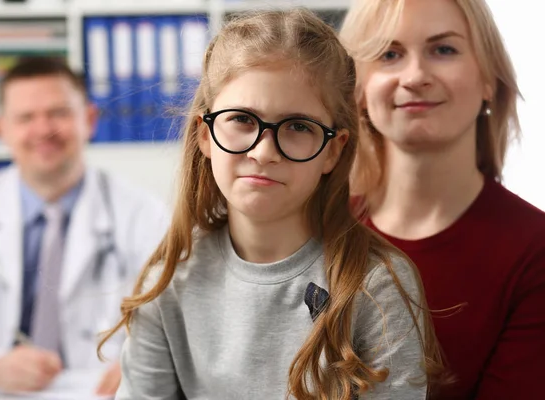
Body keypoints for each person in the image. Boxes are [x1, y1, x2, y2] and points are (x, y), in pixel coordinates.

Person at [100, 9, 446, 400]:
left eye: (299, 126)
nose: (264, 152)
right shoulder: (167, 283)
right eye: (242, 120)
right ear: (205, 134)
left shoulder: (375, 286)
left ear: (333, 150)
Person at [340, 0, 545, 398]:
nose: (415, 76)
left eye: (444, 49)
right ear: (359, 89)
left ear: (489, 78)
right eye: (390, 54)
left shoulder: (536, 251)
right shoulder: (318, 229)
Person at [0, 57, 169, 396]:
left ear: (89, 120)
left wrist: (136, 362)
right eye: (26, 117)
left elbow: (174, 327)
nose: (43, 129)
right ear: (1, 129)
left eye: (59, 113)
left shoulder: (145, 215)